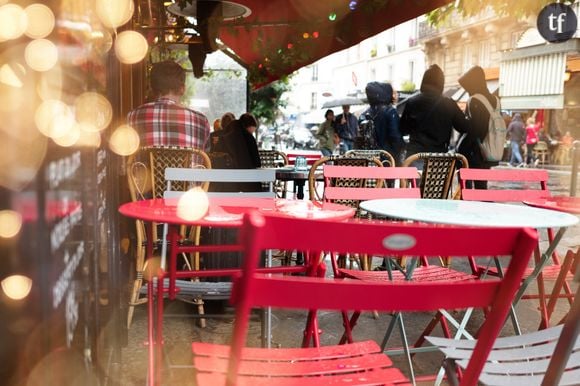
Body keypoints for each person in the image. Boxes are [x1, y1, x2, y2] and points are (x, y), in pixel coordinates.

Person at [127, 60, 210, 151]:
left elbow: (127, 154)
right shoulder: (201, 120)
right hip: (187, 166)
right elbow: (206, 159)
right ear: (182, 89)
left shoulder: (133, 116)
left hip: (145, 166)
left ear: (152, 88)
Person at [400, 64, 470, 167]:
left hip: (415, 156)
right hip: (438, 157)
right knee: (438, 183)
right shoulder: (449, 104)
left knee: (416, 183)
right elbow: (464, 127)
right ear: (441, 83)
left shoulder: (412, 102)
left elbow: (403, 129)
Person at [457, 65, 498, 189]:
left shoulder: (474, 100)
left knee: (465, 188)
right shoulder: (494, 99)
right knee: (481, 187)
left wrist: (460, 149)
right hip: (488, 150)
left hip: (472, 151)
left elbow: (473, 129)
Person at [213, 112, 262, 192]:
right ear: (247, 127)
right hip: (246, 185)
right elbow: (257, 162)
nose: (251, 134)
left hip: (223, 184)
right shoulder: (248, 139)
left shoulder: (223, 136)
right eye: (251, 132)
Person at [360, 81, 404, 163]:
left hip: (370, 159)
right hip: (388, 159)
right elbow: (396, 137)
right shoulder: (390, 112)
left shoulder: (364, 114)